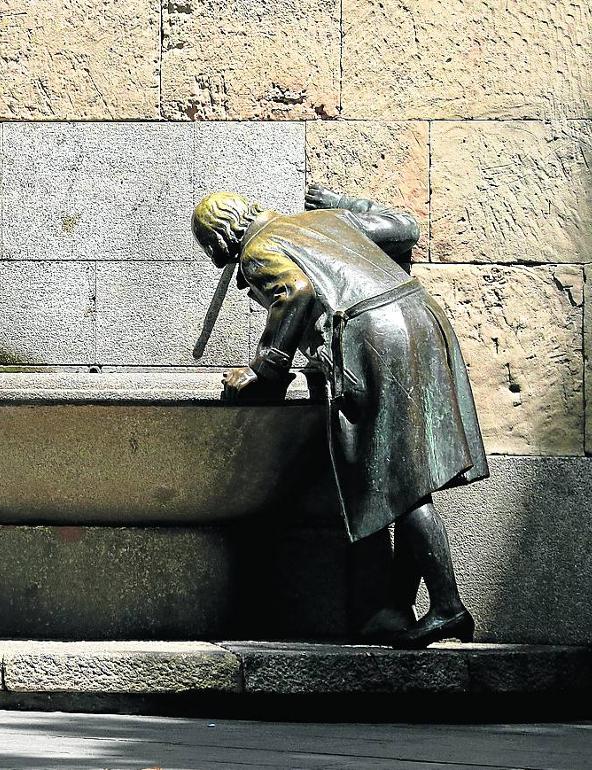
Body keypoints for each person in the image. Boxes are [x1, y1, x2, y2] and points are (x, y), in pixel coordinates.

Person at [191, 186, 489, 649]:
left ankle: (449, 607)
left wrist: (265, 370)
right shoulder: (323, 222)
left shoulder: (258, 248)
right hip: (420, 319)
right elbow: (404, 227)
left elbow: (298, 292)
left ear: (218, 240)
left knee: (397, 479)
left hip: (375, 337)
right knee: (412, 477)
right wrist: (344, 202)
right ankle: (396, 608)